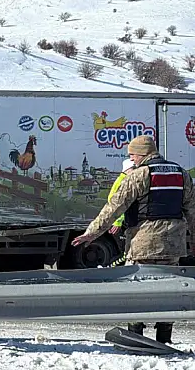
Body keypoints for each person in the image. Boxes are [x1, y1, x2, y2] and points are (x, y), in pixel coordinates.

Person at [72, 136, 195, 343]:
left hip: (143, 243)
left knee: (139, 290)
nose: (132, 159)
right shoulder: (181, 174)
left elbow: (114, 208)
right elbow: (191, 211)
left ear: (142, 154)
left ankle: (136, 338)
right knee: (168, 291)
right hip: (174, 245)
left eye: (132, 155)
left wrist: (92, 232)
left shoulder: (139, 175)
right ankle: (164, 339)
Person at [106, 159, 135, 267]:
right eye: (134, 169)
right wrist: (118, 221)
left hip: (122, 221)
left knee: (126, 251)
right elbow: (115, 203)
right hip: (120, 223)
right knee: (126, 252)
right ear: (128, 169)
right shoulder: (123, 182)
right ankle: (108, 268)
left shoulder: (123, 180)